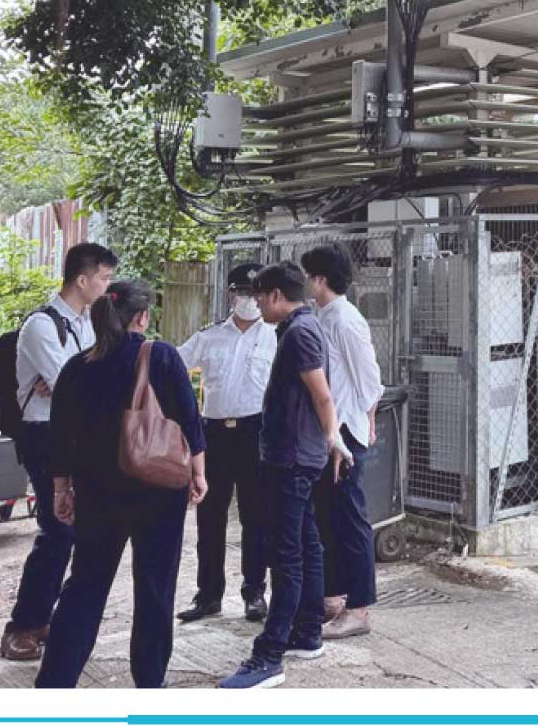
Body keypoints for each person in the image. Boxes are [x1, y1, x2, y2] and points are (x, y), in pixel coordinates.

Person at [35, 280, 207, 689]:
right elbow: (189, 420)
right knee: (154, 589)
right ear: (141, 317)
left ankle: (54, 684)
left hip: (97, 496)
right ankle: (149, 685)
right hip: (159, 491)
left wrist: (62, 490)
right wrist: (199, 473)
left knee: (85, 587)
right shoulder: (160, 355)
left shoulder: (76, 368)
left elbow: (59, 437)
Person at [219, 262, 349, 690]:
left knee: (286, 557)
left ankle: (269, 655)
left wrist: (333, 439)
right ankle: (307, 633)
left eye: (259, 297)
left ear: (275, 295)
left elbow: (322, 394)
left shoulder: (300, 333)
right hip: (296, 456)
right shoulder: (298, 330)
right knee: (307, 547)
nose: (255, 304)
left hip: (293, 460)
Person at [0, 242, 118, 662]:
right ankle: (23, 624)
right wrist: (74, 381)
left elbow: (88, 379)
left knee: (75, 530)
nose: (107, 287)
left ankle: (47, 617)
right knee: (57, 529)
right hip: (45, 437)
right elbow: (75, 384)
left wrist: (75, 381)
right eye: (103, 278)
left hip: (77, 435)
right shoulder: (41, 326)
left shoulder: (88, 323)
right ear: (82, 280)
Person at [176, 262, 276, 624]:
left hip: (256, 433)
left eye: (256, 294)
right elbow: (172, 366)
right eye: (243, 293)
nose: (249, 300)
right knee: (210, 517)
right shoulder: (210, 336)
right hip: (215, 434)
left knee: (255, 517)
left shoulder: (275, 335)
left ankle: (255, 593)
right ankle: (208, 595)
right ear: (231, 294)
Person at [301, 243, 382, 640]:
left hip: (345, 429)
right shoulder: (323, 316)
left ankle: (360, 608)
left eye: (307, 276)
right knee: (328, 515)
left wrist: (362, 424)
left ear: (319, 279)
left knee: (351, 519)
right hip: (331, 429)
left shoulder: (346, 320)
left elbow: (369, 379)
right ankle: (333, 596)